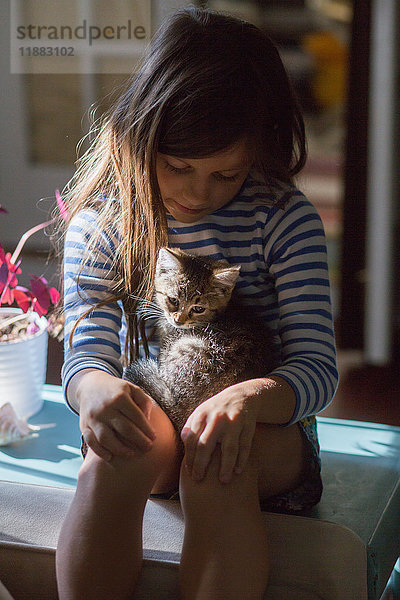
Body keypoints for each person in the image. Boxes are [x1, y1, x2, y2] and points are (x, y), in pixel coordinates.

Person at [55, 6, 339, 600]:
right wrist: (94, 391)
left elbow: (317, 369)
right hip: (156, 423)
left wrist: (250, 397)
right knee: (115, 455)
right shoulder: (108, 221)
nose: (195, 192)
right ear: (141, 135)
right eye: (178, 166)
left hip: (262, 434)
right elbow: (89, 357)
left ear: (259, 153)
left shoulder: (283, 222)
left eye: (226, 174)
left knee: (216, 460)